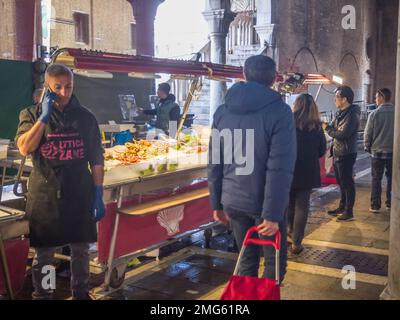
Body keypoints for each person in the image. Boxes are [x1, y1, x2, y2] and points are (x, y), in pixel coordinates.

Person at [15, 64, 105, 300]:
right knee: (45, 253)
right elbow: (25, 147)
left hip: (79, 192)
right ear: (47, 87)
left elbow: (97, 158)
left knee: (80, 249)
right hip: (45, 193)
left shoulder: (86, 117)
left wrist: (98, 192)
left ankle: (81, 293)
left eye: (69, 86)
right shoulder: (31, 114)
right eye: (58, 87)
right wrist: (43, 118)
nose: (65, 93)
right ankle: (45, 294)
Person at [208, 55, 296, 283]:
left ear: (244, 75)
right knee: (274, 265)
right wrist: (273, 214)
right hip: (263, 204)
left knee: (246, 259)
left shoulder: (221, 112)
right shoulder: (280, 111)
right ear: (274, 79)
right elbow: (279, 167)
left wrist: (216, 202)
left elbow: (214, 161)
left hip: (233, 201)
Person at [288, 94, 326, 255]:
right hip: (308, 170)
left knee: (289, 202)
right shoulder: (317, 126)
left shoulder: (288, 122)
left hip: (288, 169)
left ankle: (289, 231)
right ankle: (297, 242)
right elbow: (322, 150)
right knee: (302, 206)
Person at [322, 86, 360, 222]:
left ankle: (349, 212)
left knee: (347, 182)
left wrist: (327, 128)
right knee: (341, 182)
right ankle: (342, 206)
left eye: (337, 97)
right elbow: (334, 128)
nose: (335, 99)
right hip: (338, 151)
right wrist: (330, 128)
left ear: (344, 99)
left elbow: (342, 134)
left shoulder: (352, 114)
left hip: (346, 152)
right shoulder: (340, 113)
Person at [364, 88, 395, 213]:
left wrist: (367, 147)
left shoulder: (374, 114)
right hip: (393, 152)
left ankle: (375, 205)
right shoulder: (397, 112)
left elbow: (368, 133)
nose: (375, 100)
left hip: (377, 151)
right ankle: (390, 204)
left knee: (376, 178)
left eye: (376, 97)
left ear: (381, 98)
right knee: (391, 178)